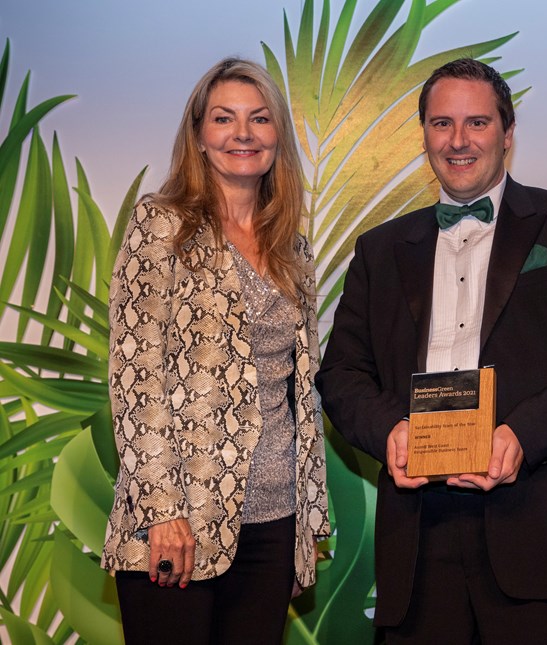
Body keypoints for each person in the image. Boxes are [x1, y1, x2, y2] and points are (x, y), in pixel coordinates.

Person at [318, 58, 547, 644]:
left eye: (477, 123)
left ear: (507, 131)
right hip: (419, 542)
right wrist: (389, 431)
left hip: (542, 527)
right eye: (441, 123)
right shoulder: (379, 249)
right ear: (423, 132)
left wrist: (524, 433)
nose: (458, 140)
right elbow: (341, 373)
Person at [101, 57, 329, 644]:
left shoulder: (291, 246)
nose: (243, 134)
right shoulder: (161, 225)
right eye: (224, 119)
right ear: (199, 136)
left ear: (278, 136)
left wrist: (307, 512)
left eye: (259, 119)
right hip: (179, 519)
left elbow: (297, 387)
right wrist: (162, 509)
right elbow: (136, 377)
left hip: (275, 520)